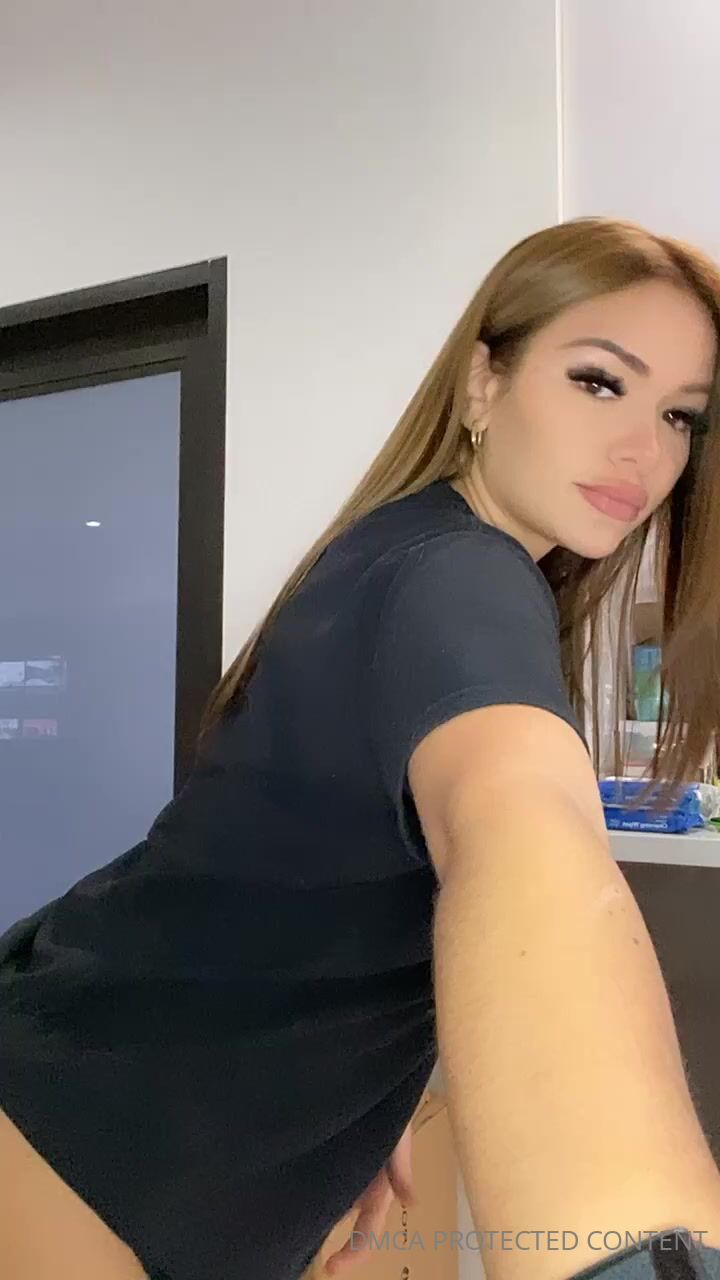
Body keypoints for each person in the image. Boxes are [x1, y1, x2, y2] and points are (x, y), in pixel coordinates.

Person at [2, 215, 720, 1280]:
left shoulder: (416, 546)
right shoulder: (457, 576)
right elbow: (521, 830)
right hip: (93, 1130)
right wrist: (627, 1253)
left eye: (679, 415)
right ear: (482, 384)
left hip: (152, 1111)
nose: (644, 451)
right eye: (598, 381)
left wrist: (376, 1086)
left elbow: (326, 857)